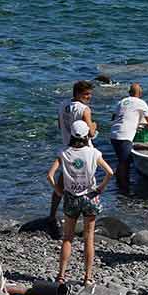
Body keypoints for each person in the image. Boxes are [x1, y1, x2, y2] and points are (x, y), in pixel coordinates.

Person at [47, 120, 114, 286]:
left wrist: (58, 191)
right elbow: (110, 172)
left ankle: (61, 275)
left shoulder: (64, 152)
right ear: (86, 136)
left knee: (68, 238)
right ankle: (88, 277)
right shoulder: (93, 153)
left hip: (71, 197)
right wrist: (100, 188)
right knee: (89, 238)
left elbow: (50, 175)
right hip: (90, 197)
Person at [50, 80, 98, 224]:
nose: (89, 97)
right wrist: (95, 125)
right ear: (78, 93)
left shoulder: (62, 105)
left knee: (62, 182)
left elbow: (60, 125)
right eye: (86, 94)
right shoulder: (84, 109)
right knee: (88, 184)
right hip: (84, 149)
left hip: (67, 147)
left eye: (90, 94)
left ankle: (52, 214)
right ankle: (88, 216)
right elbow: (90, 133)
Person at [109, 83, 148, 194]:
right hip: (124, 135)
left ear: (129, 92)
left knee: (121, 160)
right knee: (125, 163)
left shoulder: (121, 102)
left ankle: (119, 183)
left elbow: (113, 117)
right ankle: (124, 188)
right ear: (140, 93)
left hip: (114, 134)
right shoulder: (141, 103)